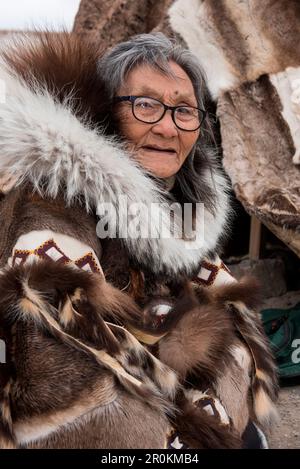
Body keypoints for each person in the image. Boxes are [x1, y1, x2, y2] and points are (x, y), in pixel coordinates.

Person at [0, 31, 277, 449]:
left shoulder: (179, 206)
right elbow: (63, 372)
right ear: (107, 112)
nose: (167, 128)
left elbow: (232, 323)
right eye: (145, 105)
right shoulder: (52, 201)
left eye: (184, 110)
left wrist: (212, 408)